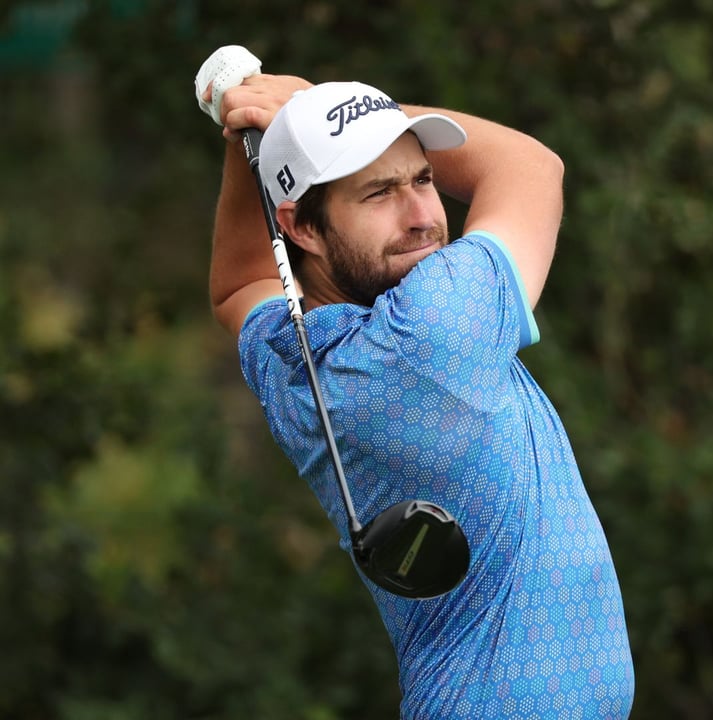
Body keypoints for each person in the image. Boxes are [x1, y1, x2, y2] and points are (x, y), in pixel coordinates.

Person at [197, 63, 634, 719]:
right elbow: (532, 166)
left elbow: (238, 284)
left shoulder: (290, 357)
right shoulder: (431, 331)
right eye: (379, 193)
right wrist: (312, 108)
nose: (423, 216)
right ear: (302, 228)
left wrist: (253, 138)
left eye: (423, 179)